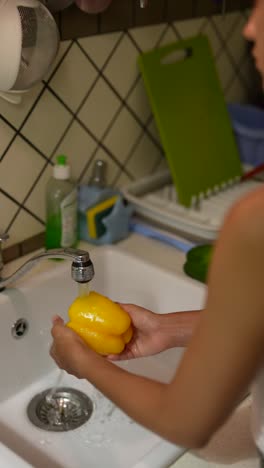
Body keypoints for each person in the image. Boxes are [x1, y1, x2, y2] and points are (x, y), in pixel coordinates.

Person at [50, 0, 264, 464]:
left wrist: (81, 363)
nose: (248, 27)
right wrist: (168, 328)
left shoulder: (255, 223)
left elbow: (186, 423)